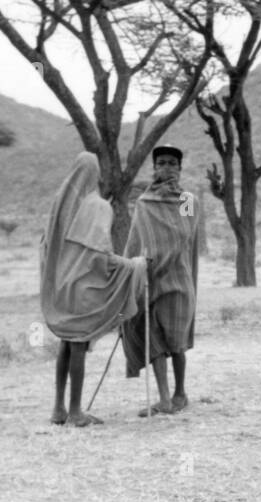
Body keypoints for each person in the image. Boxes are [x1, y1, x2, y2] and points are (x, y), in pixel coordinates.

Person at [40, 153, 148, 427]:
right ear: (95, 174)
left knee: (67, 343)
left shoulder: (62, 208)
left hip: (62, 286)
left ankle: (58, 409)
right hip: (84, 286)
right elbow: (100, 258)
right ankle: (76, 411)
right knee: (78, 345)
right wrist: (134, 265)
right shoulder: (99, 207)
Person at [121, 145, 201, 415]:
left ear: (180, 169)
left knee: (176, 341)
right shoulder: (144, 203)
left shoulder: (188, 200)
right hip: (150, 279)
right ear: (154, 168)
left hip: (178, 279)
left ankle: (180, 393)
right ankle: (164, 397)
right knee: (152, 337)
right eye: (162, 163)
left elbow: (185, 235)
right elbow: (135, 239)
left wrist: (160, 252)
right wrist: (129, 269)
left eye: (172, 164)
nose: (166, 168)